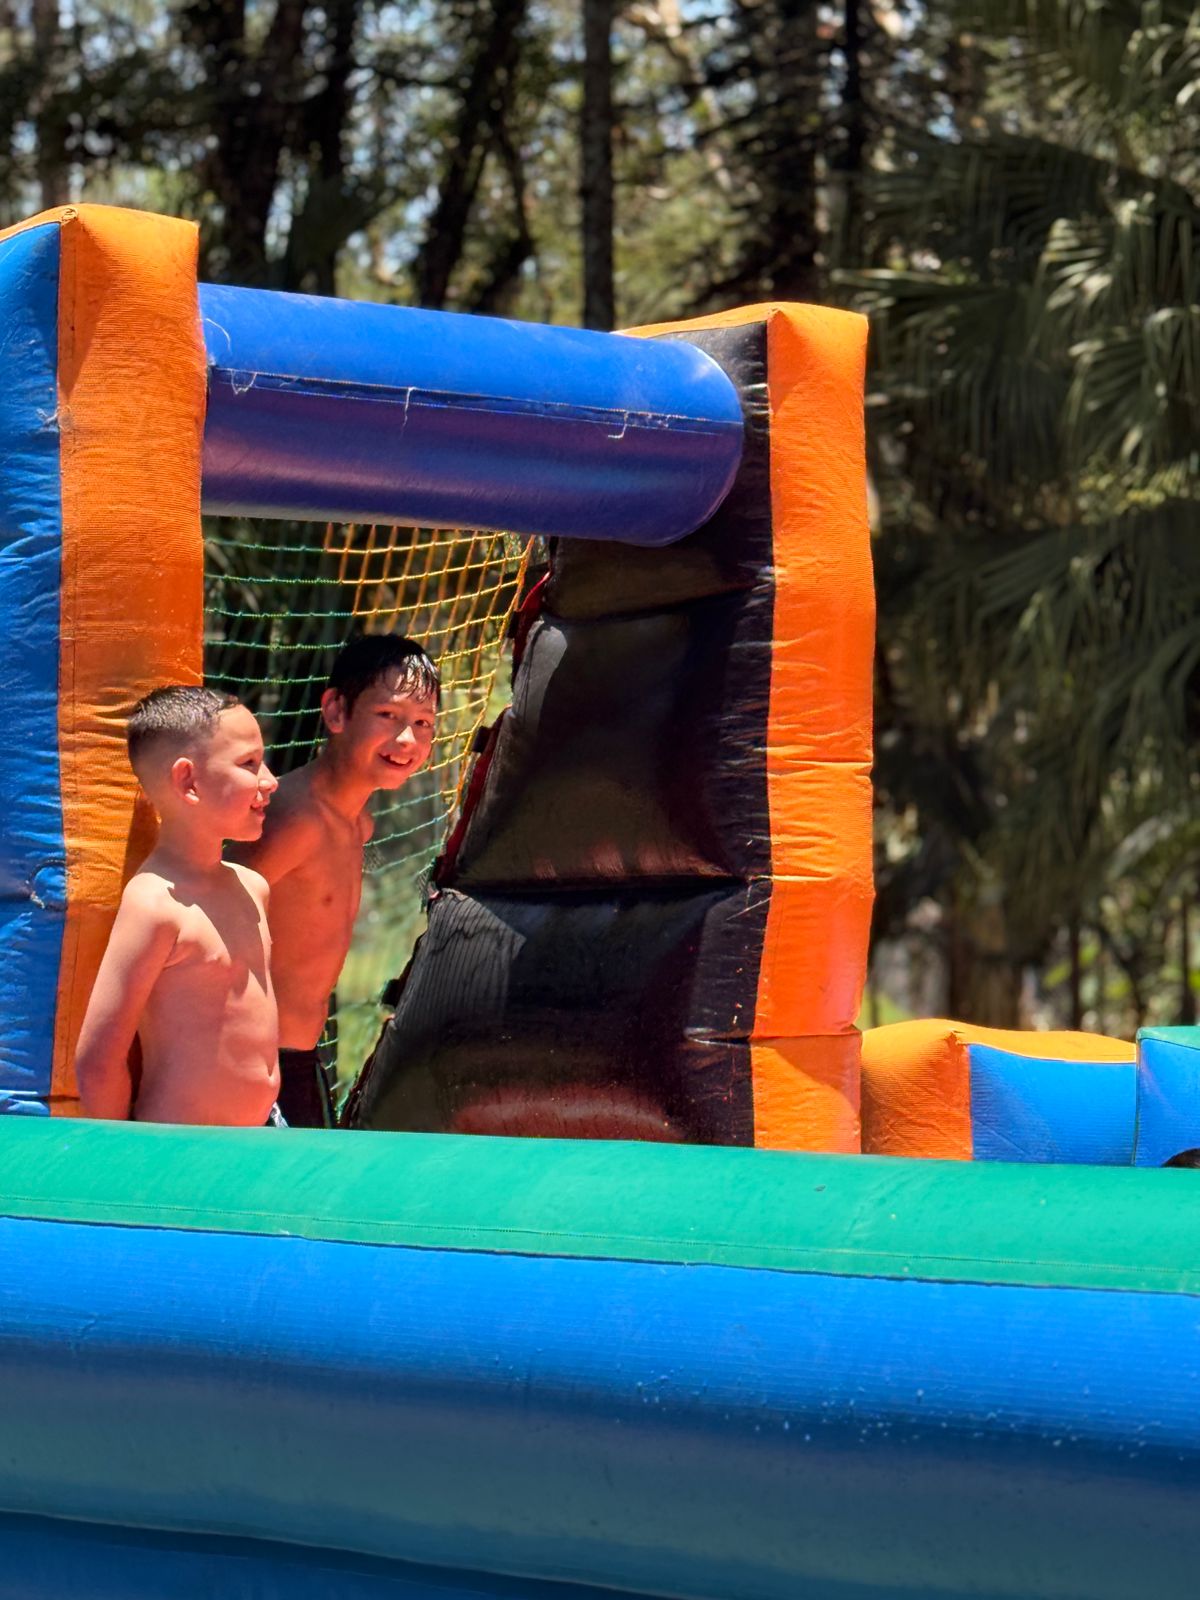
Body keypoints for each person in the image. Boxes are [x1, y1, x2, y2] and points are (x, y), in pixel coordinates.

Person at [232, 634, 439, 1126]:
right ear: (336, 711)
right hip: (251, 1062)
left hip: (301, 1059)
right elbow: (213, 919)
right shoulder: (296, 818)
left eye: (423, 723)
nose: (407, 739)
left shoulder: (357, 824)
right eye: (388, 715)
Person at [76, 686, 281, 1124]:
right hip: (178, 1148)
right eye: (249, 763)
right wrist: (130, 1155)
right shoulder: (155, 905)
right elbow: (97, 1062)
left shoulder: (252, 887)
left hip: (259, 1136)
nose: (270, 780)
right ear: (188, 781)